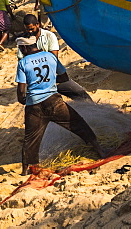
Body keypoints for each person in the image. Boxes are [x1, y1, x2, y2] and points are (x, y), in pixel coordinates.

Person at [15, 36, 104, 175]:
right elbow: (64, 78)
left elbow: (21, 92)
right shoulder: (50, 56)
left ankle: (25, 171)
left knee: (30, 139)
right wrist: (50, 81)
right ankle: (100, 150)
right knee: (78, 123)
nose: (21, 52)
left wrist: (24, 99)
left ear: (25, 48)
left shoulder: (23, 63)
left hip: (34, 107)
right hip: (54, 101)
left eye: (21, 49)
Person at [18, 15, 92, 101]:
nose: (29, 31)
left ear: (37, 24)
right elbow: (21, 61)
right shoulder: (24, 40)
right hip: (37, 77)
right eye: (27, 29)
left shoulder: (49, 36)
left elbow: (54, 59)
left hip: (54, 73)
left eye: (31, 29)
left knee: (82, 95)